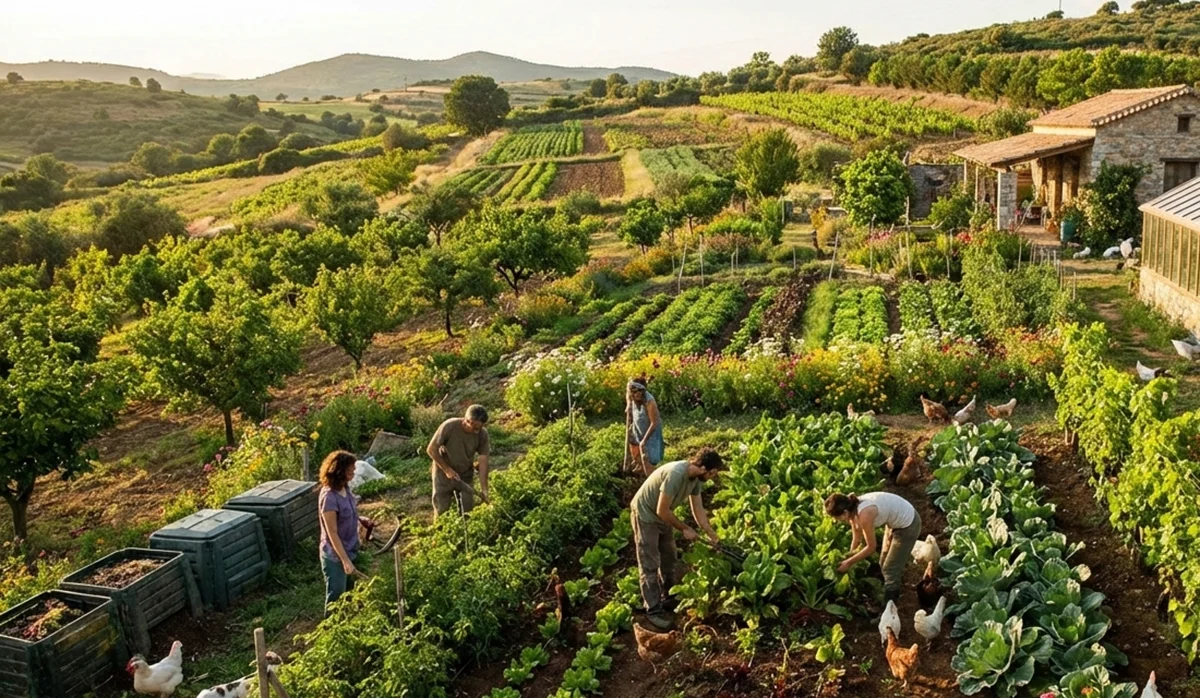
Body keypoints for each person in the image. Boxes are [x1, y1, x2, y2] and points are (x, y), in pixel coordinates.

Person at [630, 447, 723, 630]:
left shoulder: (696, 479)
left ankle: (669, 596)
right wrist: (685, 529)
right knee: (649, 562)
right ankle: (653, 609)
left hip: (663, 515)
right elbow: (661, 510)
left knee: (669, 556)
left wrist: (713, 537)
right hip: (646, 515)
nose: (712, 477)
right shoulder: (676, 474)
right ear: (705, 468)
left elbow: (699, 511)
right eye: (713, 473)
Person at [825, 491, 922, 603]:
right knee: (883, 562)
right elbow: (856, 538)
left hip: (908, 525)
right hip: (894, 524)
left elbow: (871, 547)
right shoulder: (852, 510)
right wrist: (849, 556)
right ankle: (888, 587)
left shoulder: (864, 514)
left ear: (845, 512)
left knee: (889, 569)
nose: (838, 521)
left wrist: (849, 563)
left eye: (837, 518)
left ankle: (889, 608)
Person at [427, 404, 490, 518]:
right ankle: (440, 532)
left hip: (465, 473)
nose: (477, 430)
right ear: (466, 421)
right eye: (475, 427)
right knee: (442, 510)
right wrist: (447, 470)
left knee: (467, 512)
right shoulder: (450, 426)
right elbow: (431, 449)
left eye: (480, 427)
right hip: (443, 473)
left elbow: (483, 461)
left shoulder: (482, 434)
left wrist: (484, 489)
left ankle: (464, 532)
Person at [318, 450, 360, 613]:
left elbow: (348, 511)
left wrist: (361, 522)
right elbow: (332, 533)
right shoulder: (329, 497)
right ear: (339, 470)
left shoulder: (345, 488)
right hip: (335, 555)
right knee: (336, 596)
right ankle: (330, 631)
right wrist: (345, 561)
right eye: (350, 470)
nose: (353, 472)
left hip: (350, 548)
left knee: (351, 595)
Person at [626, 379, 663, 476]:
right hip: (638, 428)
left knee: (649, 458)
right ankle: (638, 464)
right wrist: (629, 405)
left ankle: (652, 478)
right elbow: (628, 388)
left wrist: (644, 440)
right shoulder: (631, 394)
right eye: (635, 392)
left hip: (651, 432)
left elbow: (654, 423)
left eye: (640, 391)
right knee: (633, 442)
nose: (637, 394)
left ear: (644, 391)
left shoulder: (650, 402)